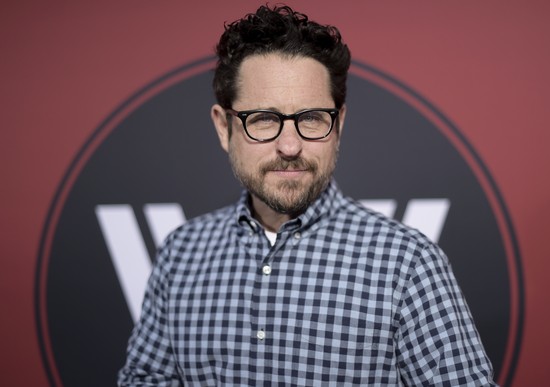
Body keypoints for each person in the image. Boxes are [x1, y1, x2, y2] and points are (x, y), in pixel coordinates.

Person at [118, 4, 496, 386]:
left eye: (311, 118)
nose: (289, 145)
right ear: (223, 127)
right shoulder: (181, 252)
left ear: (339, 124)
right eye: (263, 118)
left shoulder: (408, 264)